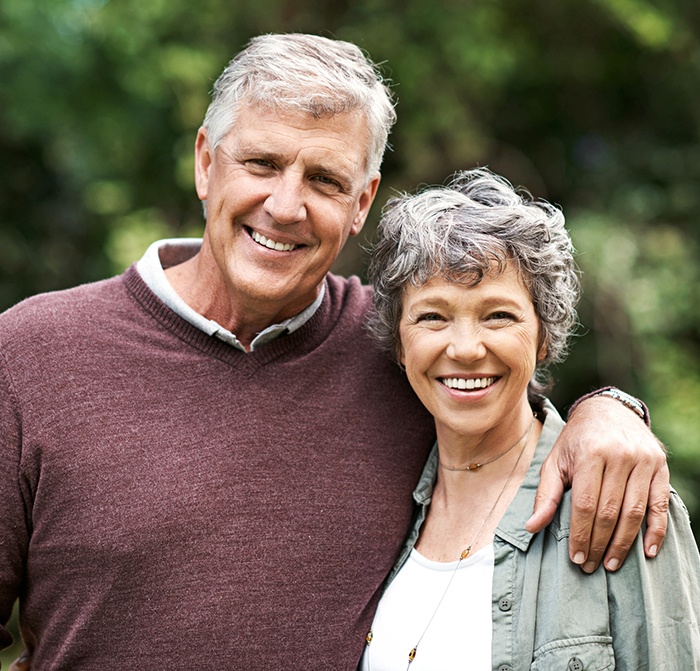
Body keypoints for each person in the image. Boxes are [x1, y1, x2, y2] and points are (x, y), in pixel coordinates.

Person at [0, 34, 670, 670]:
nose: (286, 205)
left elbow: (507, 404)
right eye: (261, 163)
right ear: (206, 162)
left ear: (362, 202)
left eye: (324, 179)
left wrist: (609, 409)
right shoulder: (32, 354)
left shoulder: (397, 348)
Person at [361, 168, 700, 670]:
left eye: (498, 315)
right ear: (399, 342)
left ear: (544, 336)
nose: (466, 348)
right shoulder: (380, 508)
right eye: (432, 316)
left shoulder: (618, 499)